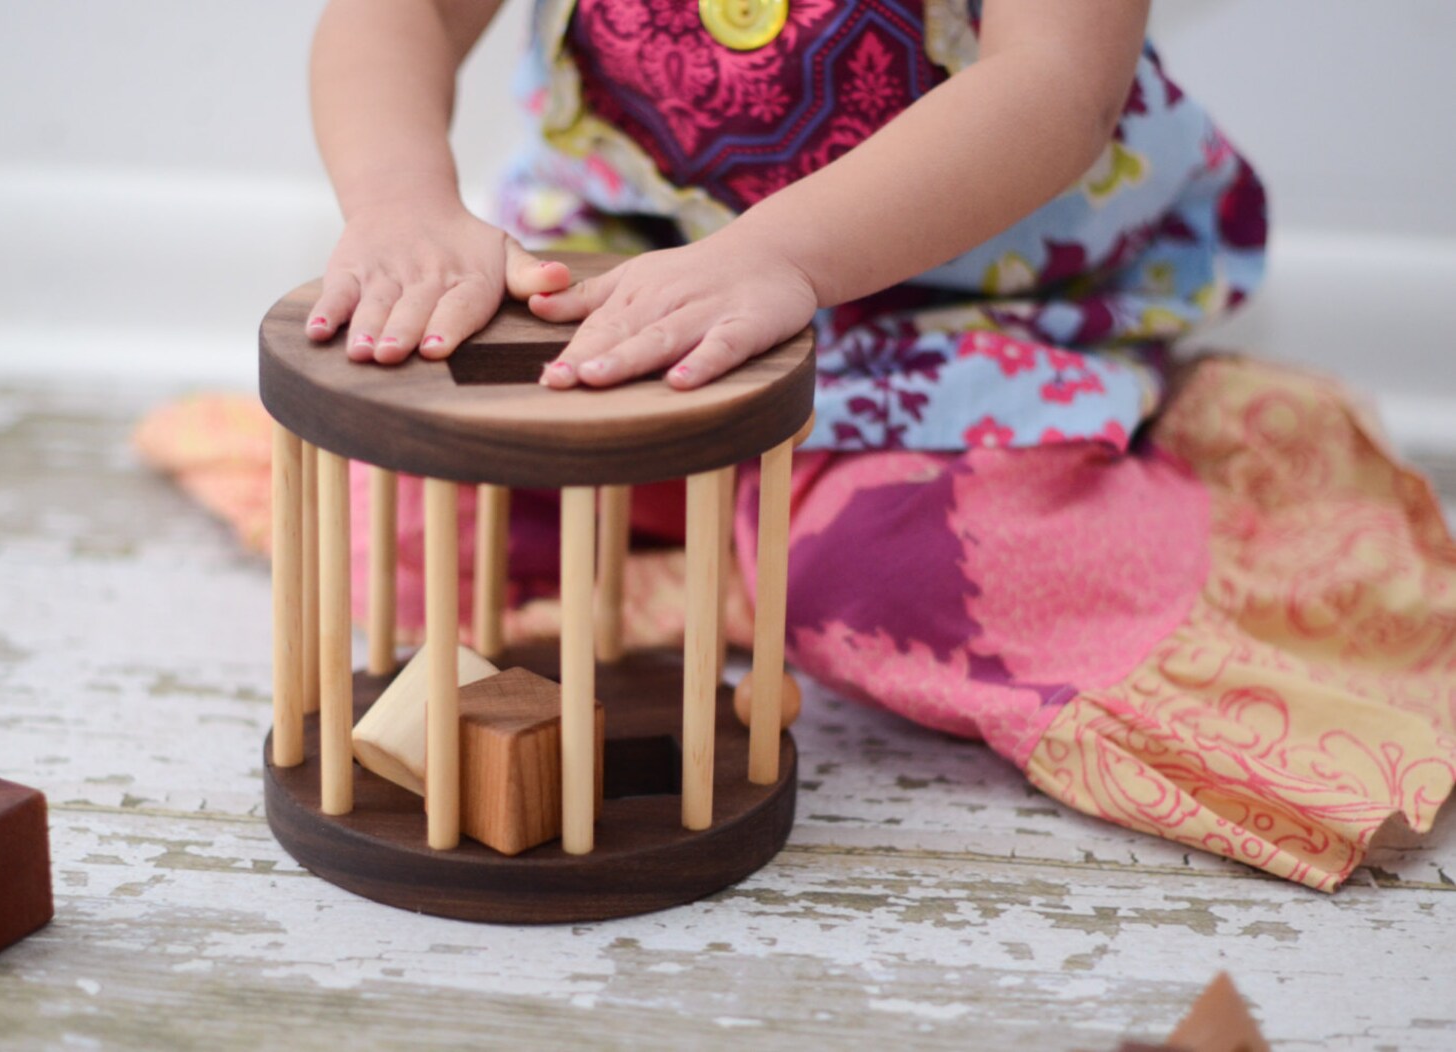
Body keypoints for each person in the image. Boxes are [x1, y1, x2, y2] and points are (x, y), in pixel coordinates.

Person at [140, 0, 1456, 891]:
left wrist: (781, 257)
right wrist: (402, 203)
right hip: (633, 273)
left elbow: (1057, 87)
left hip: (969, 311)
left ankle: (1166, 486)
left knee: (899, 580)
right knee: (424, 517)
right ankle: (711, 515)